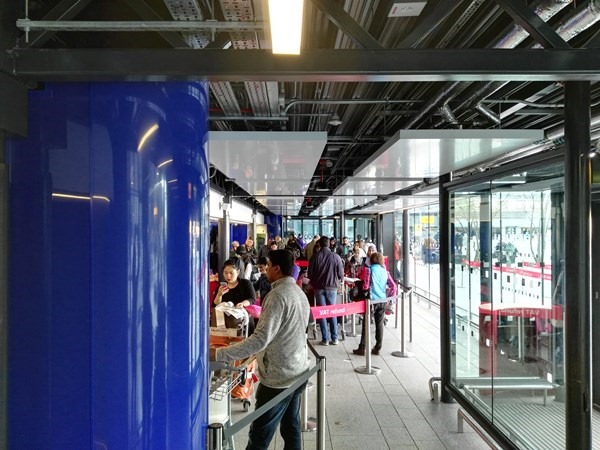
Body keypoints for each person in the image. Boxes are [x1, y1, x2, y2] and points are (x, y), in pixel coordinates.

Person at [210, 250, 310, 450]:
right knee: (291, 427)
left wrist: (218, 354)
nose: (264, 270)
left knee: (259, 436)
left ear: (277, 268)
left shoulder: (276, 296)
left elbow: (260, 340)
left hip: (278, 378)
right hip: (298, 370)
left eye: (268, 266)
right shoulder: (298, 292)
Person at [353, 252, 396, 356]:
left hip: (371, 301)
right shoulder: (385, 272)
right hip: (382, 300)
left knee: (366, 324)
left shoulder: (369, 270)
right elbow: (393, 286)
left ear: (371, 260)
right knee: (379, 324)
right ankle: (378, 347)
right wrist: (390, 298)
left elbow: (366, 286)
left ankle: (362, 347)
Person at [307, 236, 344, 345]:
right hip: (332, 287)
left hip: (318, 288)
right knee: (332, 312)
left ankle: (325, 339)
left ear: (319, 244)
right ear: (329, 244)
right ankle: (335, 338)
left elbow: (310, 274)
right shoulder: (336, 257)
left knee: (322, 313)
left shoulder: (314, 257)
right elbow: (340, 274)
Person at [213, 258, 257, 334]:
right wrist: (219, 294)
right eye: (225, 273)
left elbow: (252, 299)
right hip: (223, 322)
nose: (228, 276)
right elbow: (216, 304)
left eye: (231, 273)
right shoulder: (221, 287)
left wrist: (243, 303)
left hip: (242, 321)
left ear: (238, 272)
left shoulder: (245, 284)